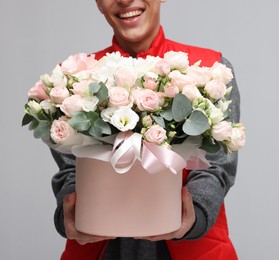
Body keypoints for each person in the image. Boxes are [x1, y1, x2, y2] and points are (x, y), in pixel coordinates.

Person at [50, 0, 241, 259]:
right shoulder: (74, 79)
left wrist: (194, 211)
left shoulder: (210, 68)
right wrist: (69, 215)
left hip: (193, 249)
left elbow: (218, 166)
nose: (125, 0)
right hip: (100, 249)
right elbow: (70, 169)